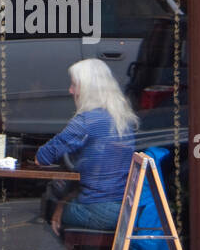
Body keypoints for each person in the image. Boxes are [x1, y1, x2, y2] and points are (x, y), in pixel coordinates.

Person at [35, 58, 137, 236]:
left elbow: (42, 157)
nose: (70, 90)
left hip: (99, 210)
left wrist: (60, 205)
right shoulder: (123, 119)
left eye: (74, 85)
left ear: (89, 89)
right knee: (67, 199)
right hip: (126, 209)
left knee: (48, 206)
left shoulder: (87, 120)